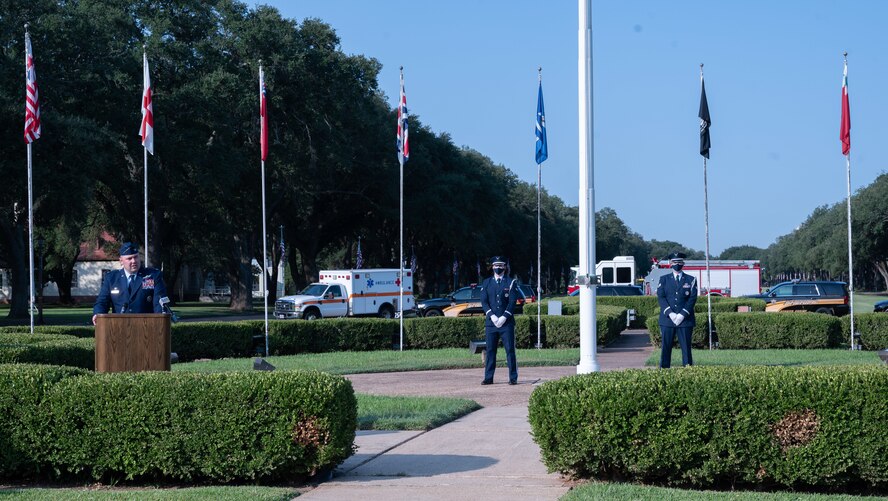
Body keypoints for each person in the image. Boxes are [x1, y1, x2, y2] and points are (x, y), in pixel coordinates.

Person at [92, 242, 168, 325]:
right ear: (121, 261)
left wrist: (160, 321)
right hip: (119, 327)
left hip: (146, 327)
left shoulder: (153, 276)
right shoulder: (111, 278)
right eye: (129, 258)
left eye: (136, 257)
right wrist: (98, 314)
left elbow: (159, 304)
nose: (134, 261)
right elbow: (102, 302)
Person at [480, 256, 519, 385]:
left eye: (501, 265)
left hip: (506, 323)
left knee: (510, 351)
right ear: (492, 267)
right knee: (491, 351)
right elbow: (484, 302)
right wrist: (492, 315)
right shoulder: (486, 283)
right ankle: (488, 377)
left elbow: (512, 302)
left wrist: (503, 317)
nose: (498, 268)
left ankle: (513, 378)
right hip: (491, 323)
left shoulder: (511, 282)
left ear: (505, 267)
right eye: (496, 265)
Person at [657, 252, 697, 368]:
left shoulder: (691, 279)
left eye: (679, 262)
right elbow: (661, 297)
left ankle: (688, 371)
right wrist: (670, 313)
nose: (677, 264)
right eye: (674, 262)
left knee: (686, 348)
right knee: (666, 348)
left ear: (683, 263)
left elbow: (692, 298)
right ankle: (664, 371)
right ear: (670, 263)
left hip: (685, 320)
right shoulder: (663, 279)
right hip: (667, 320)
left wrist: (682, 315)